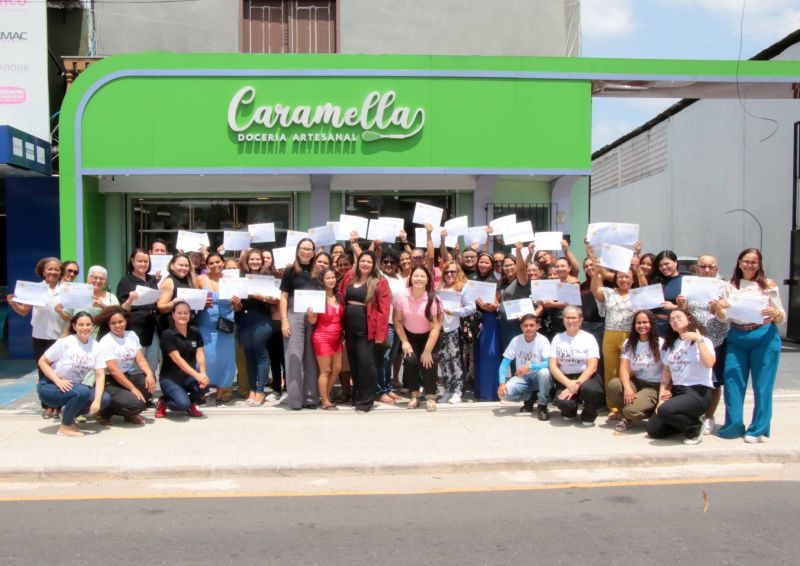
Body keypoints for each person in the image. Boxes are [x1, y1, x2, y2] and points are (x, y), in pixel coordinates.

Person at [716, 248, 784, 443]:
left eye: (754, 262)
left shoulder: (767, 285)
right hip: (737, 335)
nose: (749, 265)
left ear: (759, 264)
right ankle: (733, 425)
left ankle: (758, 429)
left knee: (763, 385)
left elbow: (781, 316)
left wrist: (775, 313)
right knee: (732, 382)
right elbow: (723, 319)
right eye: (746, 261)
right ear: (739, 262)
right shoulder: (730, 287)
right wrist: (720, 309)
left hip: (765, 335)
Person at [6, 257, 68, 419]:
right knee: (43, 372)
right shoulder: (35, 289)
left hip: (60, 337)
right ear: (43, 271)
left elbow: (71, 317)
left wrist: (62, 311)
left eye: (57, 269)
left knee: (60, 372)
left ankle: (59, 404)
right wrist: (13, 303)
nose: (53, 272)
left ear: (60, 272)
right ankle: (47, 405)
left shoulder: (66, 290)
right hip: (40, 336)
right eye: (50, 269)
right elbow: (24, 311)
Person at [676, 254, 729, 435]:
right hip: (692, 340)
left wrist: (718, 309)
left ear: (716, 269)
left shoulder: (724, 286)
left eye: (711, 267)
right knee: (693, 378)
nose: (707, 270)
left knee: (714, 382)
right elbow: (684, 314)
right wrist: (681, 306)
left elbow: (726, 318)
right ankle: (694, 414)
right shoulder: (689, 284)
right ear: (696, 268)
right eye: (703, 266)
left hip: (716, 339)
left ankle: (709, 416)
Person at [646, 308, 715, 445]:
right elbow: (666, 377)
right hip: (678, 392)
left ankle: (695, 428)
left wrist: (698, 339)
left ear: (689, 319)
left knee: (666, 411)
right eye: (672, 319)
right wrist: (661, 400)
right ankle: (683, 424)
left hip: (698, 392)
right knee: (654, 430)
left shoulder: (703, 340)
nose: (675, 321)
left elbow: (709, 363)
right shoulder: (671, 345)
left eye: (678, 317)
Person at [36, 311, 109, 436]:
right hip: (50, 386)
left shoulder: (96, 347)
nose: (85, 328)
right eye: (81, 325)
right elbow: (42, 361)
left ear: (92, 326)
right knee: (82, 391)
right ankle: (65, 427)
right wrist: (58, 381)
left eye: (88, 324)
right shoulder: (64, 343)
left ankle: (67, 414)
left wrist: (97, 401)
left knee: (104, 399)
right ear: (74, 326)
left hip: (73, 388)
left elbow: (100, 375)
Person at [338, 250, 391, 412]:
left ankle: (366, 401)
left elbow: (384, 310)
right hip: (349, 327)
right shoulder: (349, 277)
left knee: (366, 364)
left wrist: (380, 334)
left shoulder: (379, 281)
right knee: (354, 363)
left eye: (369, 261)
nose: (365, 264)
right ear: (358, 262)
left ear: (374, 264)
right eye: (363, 261)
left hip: (368, 329)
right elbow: (340, 296)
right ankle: (357, 396)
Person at [94, 306, 156, 425]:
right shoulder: (106, 341)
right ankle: (104, 412)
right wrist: (133, 389)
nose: (118, 325)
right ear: (108, 324)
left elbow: (141, 360)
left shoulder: (131, 335)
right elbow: (113, 370)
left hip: (126, 376)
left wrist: (149, 374)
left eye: (120, 321)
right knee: (137, 404)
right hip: (110, 381)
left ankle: (129, 415)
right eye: (114, 323)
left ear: (126, 321)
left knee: (148, 383)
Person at [394, 266, 442, 411]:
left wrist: (427, 351)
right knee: (410, 361)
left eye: (422, 276)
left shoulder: (433, 298)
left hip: (430, 335)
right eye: (416, 276)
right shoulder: (402, 296)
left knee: (429, 361)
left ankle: (430, 396)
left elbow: (436, 327)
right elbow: (397, 321)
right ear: (410, 278)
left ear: (428, 279)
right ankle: (414, 395)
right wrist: (404, 342)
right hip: (410, 335)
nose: (419, 279)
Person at [280, 238, 321, 410]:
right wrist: (284, 321)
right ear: (298, 250)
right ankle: (295, 400)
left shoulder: (318, 271)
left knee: (311, 359)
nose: (306, 251)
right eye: (303, 248)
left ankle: (310, 398)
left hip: (313, 316)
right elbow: (283, 297)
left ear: (313, 252)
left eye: (309, 249)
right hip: (294, 315)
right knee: (294, 358)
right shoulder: (290, 271)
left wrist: (315, 316)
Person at [607, 310, 664, 432]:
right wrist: (627, 387)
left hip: (653, 386)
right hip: (637, 382)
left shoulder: (660, 343)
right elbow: (623, 367)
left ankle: (638, 414)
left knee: (630, 410)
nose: (642, 325)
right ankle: (628, 416)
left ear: (652, 324)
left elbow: (667, 370)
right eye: (638, 323)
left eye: (645, 322)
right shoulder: (629, 343)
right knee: (614, 385)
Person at [232, 248, 275, 406]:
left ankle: (260, 390)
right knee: (249, 356)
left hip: (261, 319)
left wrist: (262, 297)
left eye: (258, 259)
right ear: (247, 261)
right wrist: (236, 304)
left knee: (261, 355)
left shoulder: (268, 277)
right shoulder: (241, 278)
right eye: (252, 259)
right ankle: (252, 389)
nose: (255, 262)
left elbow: (276, 301)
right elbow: (238, 306)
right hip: (244, 319)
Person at [590, 267, 635, 417]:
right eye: (621, 277)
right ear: (615, 279)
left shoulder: (637, 295)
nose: (624, 280)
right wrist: (597, 271)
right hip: (610, 335)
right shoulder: (609, 293)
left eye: (627, 277)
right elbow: (595, 290)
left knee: (630, 371)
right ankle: (614, 407)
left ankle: (629, 403)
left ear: (633, 280)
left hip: (630, 336)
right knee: (611, 371)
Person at [549, 305, 604, 426]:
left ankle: (589, 414)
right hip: (566, 378)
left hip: (586, 377)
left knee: (591, 390)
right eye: (567, 318)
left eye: (574, 318)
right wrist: (568, 383)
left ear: (581, 320)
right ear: (563, 320)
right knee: (562, 402)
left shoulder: (589, 338)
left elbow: (592, 366)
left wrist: (577, 383)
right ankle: (570, 411)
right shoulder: (557, 338)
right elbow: (553, 366)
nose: (570, 321)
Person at [155, 301, 208, 418]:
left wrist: (203, 374)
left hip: (189, 377)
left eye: (186, 313)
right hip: (171, 378)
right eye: (179, 313)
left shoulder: (195, 332)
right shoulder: (167, 335)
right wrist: (197, 375)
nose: (183, 316)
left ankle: (191, 403)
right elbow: (177, 359)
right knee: (182, 404)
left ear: (190, 315)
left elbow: (200, 354)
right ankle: (164, 401)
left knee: (205, 386)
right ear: (173, 314)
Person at [195, 253, 236, 405]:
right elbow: (193, 302)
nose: (215, 265)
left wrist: (236, 302)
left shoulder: (230, 281)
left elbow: (238, 306)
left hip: (225, 326)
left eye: (217, 262)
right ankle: (202, 391)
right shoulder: (200, 279)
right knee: (205, 359)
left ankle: (220, 394)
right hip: (206, 325)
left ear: (223, 263)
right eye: (211, 263)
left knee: (224, 360)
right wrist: (202, 302)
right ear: (207, 265)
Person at [497, 314, 553, 420]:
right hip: (523, 378)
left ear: (537, 326)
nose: (528, 328)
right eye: (525, 325)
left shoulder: (543, 340)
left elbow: (549, 363)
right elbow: (505, 363)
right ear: (521, 327)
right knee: (503, 395)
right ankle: (530, 397)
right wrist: (502, 382)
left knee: (545, 372)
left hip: (538, 377)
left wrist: (530, 367)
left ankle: (542, 405)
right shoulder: (516, 340)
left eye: (531, 325)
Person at [117, 248, 161, 376]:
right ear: (132, 261)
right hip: (135, 328)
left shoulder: (151, 280)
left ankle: (148, 393)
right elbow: (122, 310)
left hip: (152, 326)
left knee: (152, 363)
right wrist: (130, 299)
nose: (143, 264)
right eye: (139, 261)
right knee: (136, 365)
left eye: (146, 261)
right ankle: (135, 393)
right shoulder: (126, 281)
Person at [437, 261, 476, 404]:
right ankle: (447, 389)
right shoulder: (440, 287)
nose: (449, 275)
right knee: (443, 360)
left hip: (455, 328)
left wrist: (454, 312)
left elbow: (472, 307)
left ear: (458, 272)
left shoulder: (464, 287)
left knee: (456, 360)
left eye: (452, 272)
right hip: (440, 329)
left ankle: (458, 391)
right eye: (446, 272)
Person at [307, 268, 344, 410]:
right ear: (322, 281)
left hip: (337, 337)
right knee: (326, 370)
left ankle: (324, 395)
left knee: (337, 368)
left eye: (333, 277)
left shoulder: (339, 296)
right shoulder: (318, 298)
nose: (331, 280)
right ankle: (325, 400)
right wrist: (310, 316)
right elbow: (313, 321)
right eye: (328, 278)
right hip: (322, 337)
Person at [378, 248, 405, 403]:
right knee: (384, 358)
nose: (389, 264)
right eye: (385, 262)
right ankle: (380, 390)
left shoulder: (400, 278)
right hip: (385, 323)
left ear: (397, 265)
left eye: (392, 262)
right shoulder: (380, 276)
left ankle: (388, 387)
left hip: (398, 323)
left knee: (391, 358)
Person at [473, 252, 501, 401]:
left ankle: (489, 393)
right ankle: (479, 391)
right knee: (477, 355)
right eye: (481, 262)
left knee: (489, 355)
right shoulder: (473, 279)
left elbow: (496, 305)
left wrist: (486, 306)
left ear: (491, 265)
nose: (483, 265)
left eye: (486, 263)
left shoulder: (493, 281)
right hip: (475, 319)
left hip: (489, 319)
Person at [261, 249, 286, 403]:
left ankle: (288, 389)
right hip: (269, 324)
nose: (278, 271)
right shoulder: (265, 280)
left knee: (286, 359)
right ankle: (276, 388)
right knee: (274, 359)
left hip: (284, 323)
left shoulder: (288, 282)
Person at [497, 244, 530, 354]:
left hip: (515, 322)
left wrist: (518, 252)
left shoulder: (521, 280)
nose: (508, 268)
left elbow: (521, 269)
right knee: (508, 355)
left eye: (511, 265)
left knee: (517, 355)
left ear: (516, 265)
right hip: (503, 322)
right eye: (505, 266)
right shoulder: (505, 282)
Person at [66, 266, 119, 330]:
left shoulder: (111, 297)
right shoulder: (76, 293)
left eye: (102, 278)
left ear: (105, 281)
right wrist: (60, 312)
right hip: (80, 335)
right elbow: (68, 317)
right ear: (88, 278)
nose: (98, 281)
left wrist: (102, 305)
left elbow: (118, 316)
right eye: (95, 277)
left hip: (103, 335)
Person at [157, 253, 195, 331]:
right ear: (172, 266)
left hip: (187, 325)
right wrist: (174, 303)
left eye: (186, 266)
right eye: (180, 265)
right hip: (172, 327)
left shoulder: (189, 280)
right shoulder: (169, 281)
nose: (184, 268)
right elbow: (160, 307)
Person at [652, 250, 683, 335]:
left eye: (666, 264)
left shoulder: (685, 281)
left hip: (675, 328)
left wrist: (674, 306)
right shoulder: (656, 282)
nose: (664, 267)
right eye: (660, 265)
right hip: (656, 327)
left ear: (675, 262)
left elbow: (692, 307)